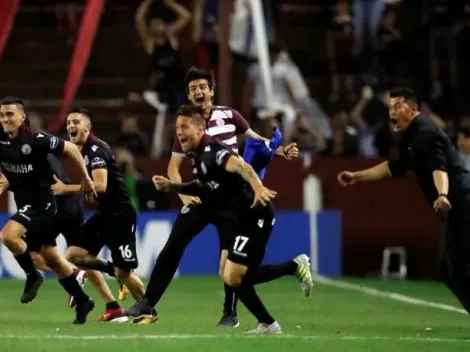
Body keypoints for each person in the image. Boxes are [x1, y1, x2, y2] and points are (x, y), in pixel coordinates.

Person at [126, 105, 313, 333]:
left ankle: (292, 269)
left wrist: (258, 187)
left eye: (184, 127)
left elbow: (242, 166)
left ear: (200, 128)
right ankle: (268, 321)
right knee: (232, 276)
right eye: (177, 128)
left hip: (255, 213)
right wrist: (173, 186)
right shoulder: (199, 157)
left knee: (236, 276)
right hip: (239, 214)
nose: (179, 133)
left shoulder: (215, 151)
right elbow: (202, 186)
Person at [154, 67, 299, 327]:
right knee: (179, 244)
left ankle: (230, 313)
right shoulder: (187, 127)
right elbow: (173, 167)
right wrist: (185, 197)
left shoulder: (230, 116)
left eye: (202, 87)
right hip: (204, 193)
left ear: (211, 90)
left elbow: (256, 140)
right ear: (188, 95)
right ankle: (148, 303)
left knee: (229, 265)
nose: (198, 92)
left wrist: (280, 150)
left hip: (231, 197)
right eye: (193, 89)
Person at [337, 87, 470, 315]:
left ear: (414, 108)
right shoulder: (411, 137)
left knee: (454, 268)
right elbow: (392, 168)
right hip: (457, 204)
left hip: (462, 202)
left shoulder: (424, 134)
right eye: (390, 107)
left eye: (398, 106)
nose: (392, 112)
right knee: (448, 269)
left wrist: (442, 194)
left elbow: (439, 167)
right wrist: (356, 176)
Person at [0, 96, 95, 324]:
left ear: (22, 117)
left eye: (10, 114)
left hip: (42, 202)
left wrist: (86, 181)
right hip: (25, 201)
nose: (5, 119)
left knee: (8, 236)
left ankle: (33, 276)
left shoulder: (36, 139)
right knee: (53, 259)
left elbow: (71, 149)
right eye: (2, 115)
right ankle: (83, 300)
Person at [50, 108, 147, 322]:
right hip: (105, 213)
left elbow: (101, 186)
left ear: (88, 127)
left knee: (125, 273)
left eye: (76, 122)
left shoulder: (95, 149)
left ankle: (149, 310)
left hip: (120, 214)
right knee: (73, 255)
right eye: (68, 123)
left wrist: (66, 188)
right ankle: (113, 270)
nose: (71, 126)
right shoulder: (81, 149)